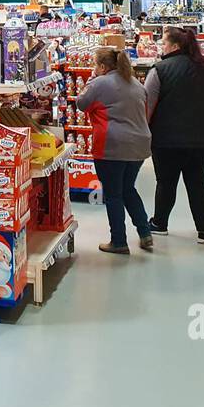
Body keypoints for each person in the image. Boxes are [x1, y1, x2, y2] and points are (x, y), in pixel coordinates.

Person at [144, 26, 204, 244]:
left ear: (175, 46)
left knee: (166, 182)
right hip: (202, 138)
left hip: (166, 139)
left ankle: (160, 223)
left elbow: (147, 105)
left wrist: (144, 131)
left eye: (164, 43)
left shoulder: (159, 70)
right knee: (198, 182)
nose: (161, 46)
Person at [75, 47, 153, 255]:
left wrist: (91, 80)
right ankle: (145, 233)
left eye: (95, 65)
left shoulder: (99, 83)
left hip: (112, 145)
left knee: (113, 194)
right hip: (139, 144)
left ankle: (119, 241)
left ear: (102, 66)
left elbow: (81, 104)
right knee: (128, 189)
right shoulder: (136, 83)